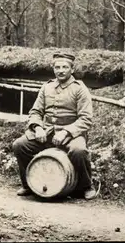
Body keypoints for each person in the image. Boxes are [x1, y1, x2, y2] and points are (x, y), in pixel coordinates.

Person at [12, 53, 98, 200]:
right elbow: (35, 112)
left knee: (79, 151)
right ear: (53, 69)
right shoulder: (47, 87)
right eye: (57, 67)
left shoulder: (80, 89)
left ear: (72, 69)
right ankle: (29, 184)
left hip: (72, 134)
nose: (61, 70)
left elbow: (86, 119)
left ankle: (86, 186)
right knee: (19, 145)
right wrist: (38, 128)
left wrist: (66, 132)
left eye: (65, 67)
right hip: (47, 131)